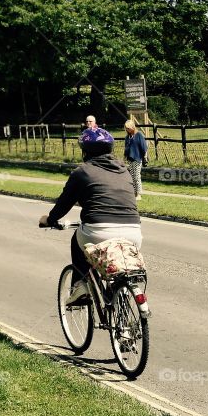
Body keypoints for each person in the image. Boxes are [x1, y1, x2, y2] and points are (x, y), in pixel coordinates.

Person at [38, 126, 142, 305]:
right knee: (120, 264)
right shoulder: (124, 170)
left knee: (77, 241)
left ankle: (80, 287)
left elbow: (64, 204)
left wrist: (50, 219)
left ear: (85, 152)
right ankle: (115, 291)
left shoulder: (82, 172)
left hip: (98, 230)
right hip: (134, 232)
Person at [123, 118, 148, 200]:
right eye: (126, 128)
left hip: (137, 158)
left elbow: (144, 147)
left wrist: (144, 156)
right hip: (130, 159)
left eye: (128, 128)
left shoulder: (139, 135)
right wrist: (124, 157)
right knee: (132, 176)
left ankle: (139, 194)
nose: (127, 130)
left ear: (132, 127)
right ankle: (134, 193)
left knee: (137, 176)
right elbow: (126, 148)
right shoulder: (128, 137)